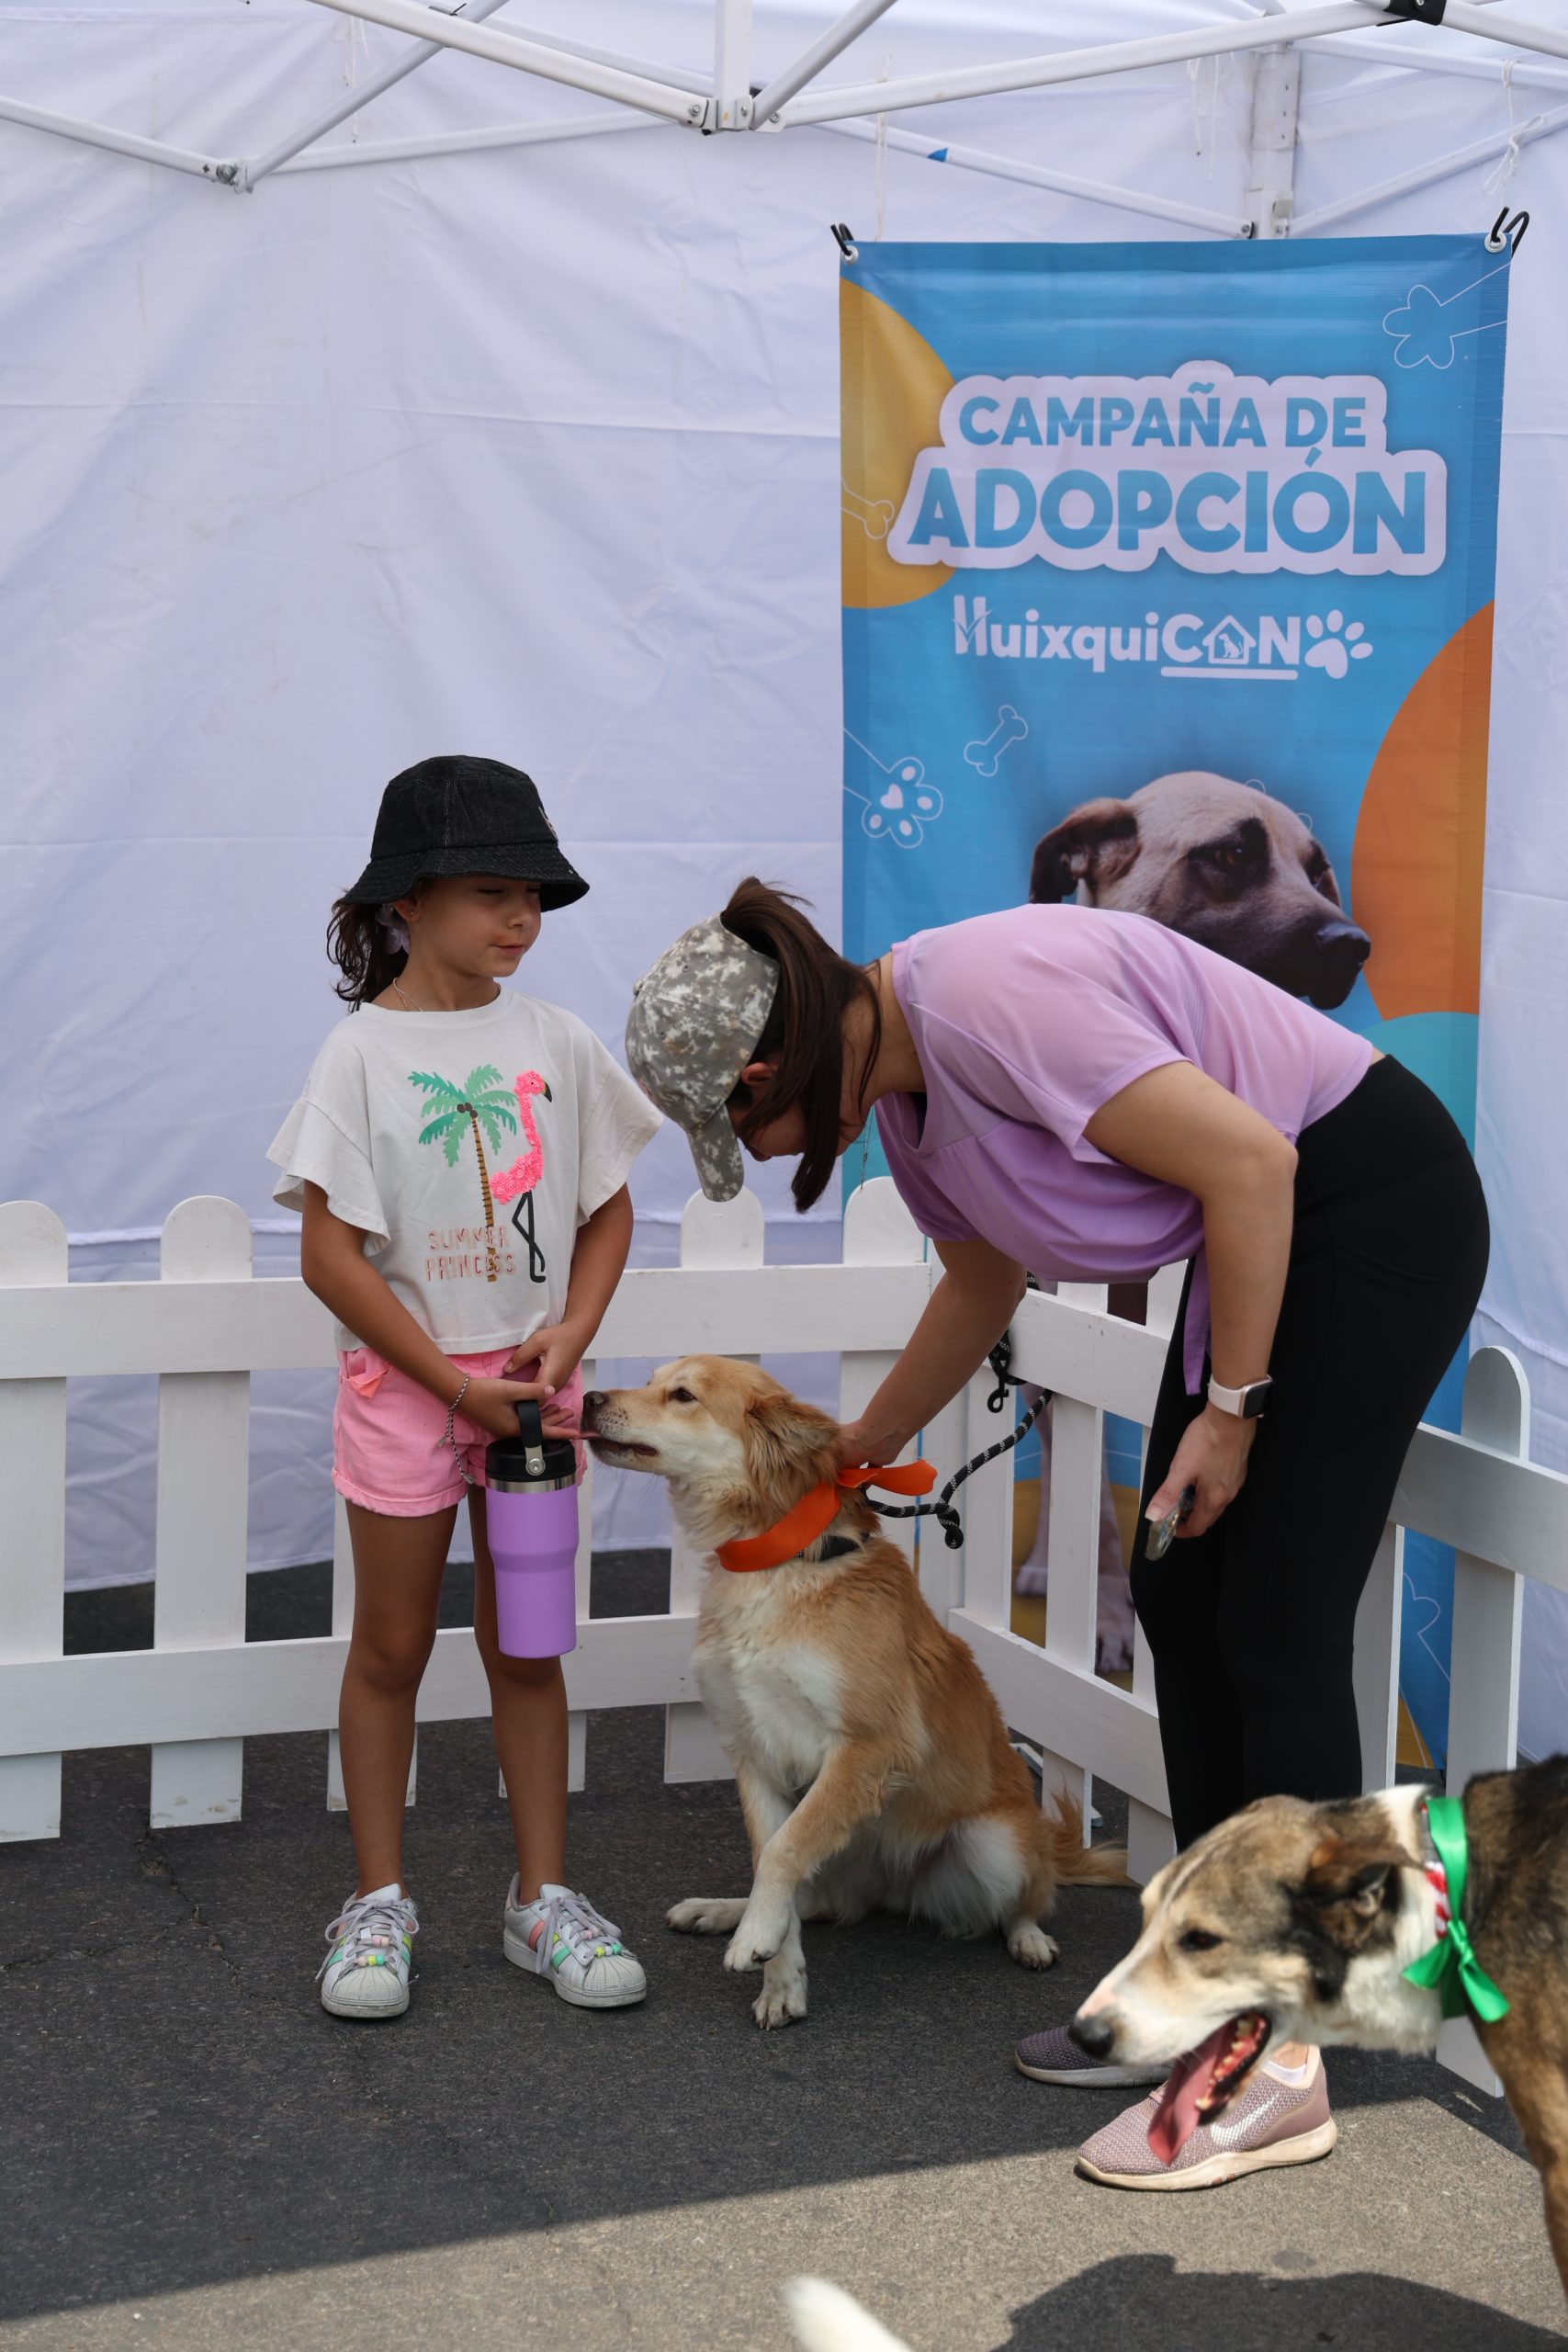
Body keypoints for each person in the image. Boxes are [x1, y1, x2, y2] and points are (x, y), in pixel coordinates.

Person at [626, 876, 1488, 2188]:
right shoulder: (904, 1099)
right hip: (1269, 1230)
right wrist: (863, 1440)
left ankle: (1282, 2057)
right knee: (1181, 1594)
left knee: (1275, 1621)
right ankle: (1212, 1997)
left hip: (1369, 1206)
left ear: (767, 1073)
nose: (777, 1155)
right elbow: (985, 1280)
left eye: (751, 1129)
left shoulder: (985, 1001)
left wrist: (1235, 1414)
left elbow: (1255, 1163)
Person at [269, 756, 661, 2021]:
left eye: (534, 896)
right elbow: (329, 1253)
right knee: (391, 1647)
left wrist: (570, 1335)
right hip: (410, 1392)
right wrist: (448, 1383)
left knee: (528, 1645)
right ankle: (377, 1902)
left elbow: (608, 1209)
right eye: (494, 892)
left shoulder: (557, 1042)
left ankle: (541, 1898)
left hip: (534, 1399)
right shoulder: (359, 1056)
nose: (522, 919)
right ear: (411, 899)